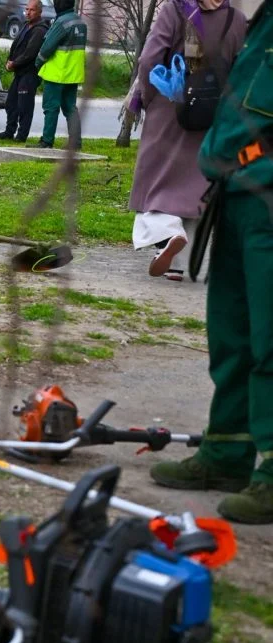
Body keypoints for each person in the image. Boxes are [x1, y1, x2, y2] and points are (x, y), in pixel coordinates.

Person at [149, 3, 273, 524]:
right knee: (235, 333)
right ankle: (226, 452)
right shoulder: (262, 22)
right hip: (239, 194)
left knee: (270, 337)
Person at [128, 0, 246, 280]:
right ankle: (178, 265)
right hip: (213, 112)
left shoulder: (176, 10)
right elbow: (243, 71)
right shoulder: (237, 20)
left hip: (171, 104)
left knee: (154, 184)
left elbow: (149, 59)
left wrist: (146, 95)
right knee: (195, 186)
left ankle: (168, 232)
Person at [0, 0, 47, 143]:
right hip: (19, 72)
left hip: (29, 73)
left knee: (24, 106)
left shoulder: (40, 30)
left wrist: (14, 63)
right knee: (11, 103)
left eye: (32, 10)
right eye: (26, 9)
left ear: (39, 11)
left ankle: (21, 135)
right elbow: (16, 46)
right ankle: (9, 131)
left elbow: (30, 53)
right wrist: (9, 61)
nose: (27, 12)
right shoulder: (26, 26)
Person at [35, 0, 86, 150]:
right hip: (73, 73)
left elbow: (47, 47)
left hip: (57, 73)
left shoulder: (62, 22)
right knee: (70, 108)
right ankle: (75, 142)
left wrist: (38, 62)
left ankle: (46, 141)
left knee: (51, 108)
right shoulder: (80, 21)